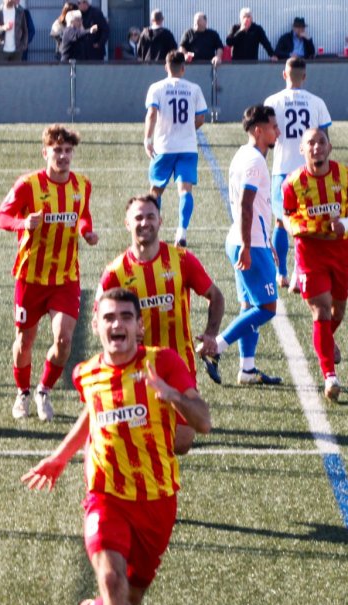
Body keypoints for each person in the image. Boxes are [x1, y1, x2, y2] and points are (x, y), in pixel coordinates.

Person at [21, 287, 212, 605]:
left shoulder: (162, 362)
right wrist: (59, 457)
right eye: (108, 318)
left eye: (125, 317)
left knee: (127, 598)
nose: (116, 325)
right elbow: (93, 410)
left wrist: (172, 396)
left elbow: (204, 422)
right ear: (96, 325)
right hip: (106, 496)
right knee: (111, 580)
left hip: (158, 501)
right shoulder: (85, 372)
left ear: (138, 326)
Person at [98, 196, 224, 451]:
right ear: (127, 224)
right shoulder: (116, 271)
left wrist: (211, 334)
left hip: (180, 363)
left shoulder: (181, 260)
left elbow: (216, 296)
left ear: (160, 221)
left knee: (183, 442)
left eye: (150, 217)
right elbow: (98, 319)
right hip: (136, 366)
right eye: (138, 217)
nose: (145, 222)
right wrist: (125, 334)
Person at [0, 125, 99, 421]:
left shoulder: (82, 185)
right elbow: (1, 217)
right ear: (45, 152)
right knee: (25, 342)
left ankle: (44, 391)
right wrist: (24, 223)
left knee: (64, 340)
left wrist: (86, 232)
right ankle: (22, 393)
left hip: (65, 278)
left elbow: (83, 216)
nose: (63, 156)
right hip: (30, 278)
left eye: (68, 151)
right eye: (57, 150)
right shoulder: (28, 184)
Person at [281, 128, 348, 402]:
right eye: (311, 143)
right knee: (321, 311)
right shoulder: (292, 183)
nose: (316, 147)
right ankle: (330, 375)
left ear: (329, 147)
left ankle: (326, 344)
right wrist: (295, 228)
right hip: (310, 253)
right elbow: (284, 216)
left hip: (341, 251)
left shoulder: (346, 176)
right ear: (302, 149)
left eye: (321, 142)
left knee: (337, 310)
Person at [202, 105, 283, 387]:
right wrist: (250, 247)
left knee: (249, 305)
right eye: (273, 126)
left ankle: (247, 370)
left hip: (245, 239)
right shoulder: (255, 160)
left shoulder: (244, 154)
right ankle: (215, 348)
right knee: (268, 307)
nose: (278, 131)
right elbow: (247, 205)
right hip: (248, 242)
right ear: (258, 130)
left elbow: (255, 207)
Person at [264, 57, 332, 288]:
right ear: (304, 76)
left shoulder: (272, 102)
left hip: (282, 170)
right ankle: (297, 272)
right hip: (308, 171)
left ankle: (280, 273)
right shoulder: (316, 102)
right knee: (304, 224)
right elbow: (324, 140)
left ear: (284, 75)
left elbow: (267, 137)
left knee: (281, 223)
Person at [143, 50, 207, 247]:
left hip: (164, 146)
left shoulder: (156, 87)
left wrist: (147, 138)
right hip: (187, 147)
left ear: (166, 67)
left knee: (155, 190)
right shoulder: (194, 88)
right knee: (185, 190)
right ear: (183, 68)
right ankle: (182, 231)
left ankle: (154, 231)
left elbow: (152, 114)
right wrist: (187, 128)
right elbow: (201, 118)